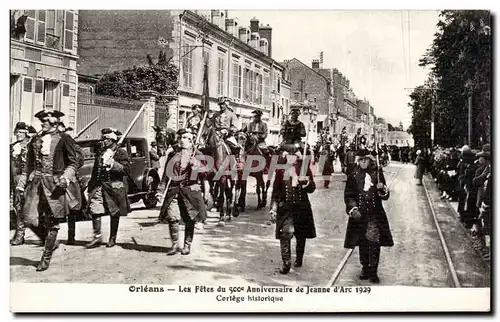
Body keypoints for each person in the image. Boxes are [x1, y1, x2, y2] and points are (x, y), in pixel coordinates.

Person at [15, 109, 82, 271]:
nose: (42, 123)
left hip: (55, 186)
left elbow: (75, 162)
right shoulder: (35, 140)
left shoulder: (65, 139)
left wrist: (66, 176)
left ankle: (45, 257)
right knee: (27, 218)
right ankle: (51, 242)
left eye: (45, 120)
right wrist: (22, 182)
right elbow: (29, 165)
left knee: (53, 222)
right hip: (36, 185)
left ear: (54, 122)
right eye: (42, 120)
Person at [156, 128, 209, 255]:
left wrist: (196, 166)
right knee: (172, 217)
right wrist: (160, 190)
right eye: (180, 137)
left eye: (185, 137)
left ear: (191, 140)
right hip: (174, 190)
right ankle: (174, 244)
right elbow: (165, 175)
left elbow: (206, 173)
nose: (181, 140)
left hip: (190, 191)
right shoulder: (173, 154)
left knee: (189, 219)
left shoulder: (198, 154)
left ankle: (187, 245)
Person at [343, 149, 393, 284]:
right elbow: (349, 195)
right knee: (362, 241)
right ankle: (365, 268)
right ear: (358, 161)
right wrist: (353, 209)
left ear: (370, 160)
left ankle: (373, 271)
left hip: (374, 214)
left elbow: (386, 195)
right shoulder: (353, 176)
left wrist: (382, 189)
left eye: (366, 160)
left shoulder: (377, 174)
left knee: (374, 241)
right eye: (361, 160)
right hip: (360, 215)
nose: (363, 162)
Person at [269, 148, 316, 274]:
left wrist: (306, 182)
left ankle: (299, 258)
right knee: (285, 233)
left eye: (293, 155)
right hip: (286, 208)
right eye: (288, 155)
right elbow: (276, 191)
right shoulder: (281, 171)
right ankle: (286, 262)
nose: (291, 158)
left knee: (301, 235)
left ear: (297, 156)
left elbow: (312, 188)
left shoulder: (304, 169)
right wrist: (273, 208)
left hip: (302, 207)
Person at [86, 128, 131, 249]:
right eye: (103, 138)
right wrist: (91, 185)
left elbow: (127, 170)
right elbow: (96, 170)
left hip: (114, 186)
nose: (103, 141)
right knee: (95, 209)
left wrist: (113, 164)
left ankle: (112, 237)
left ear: (112, 140)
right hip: (99, 185)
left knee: (114, 212)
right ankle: (97, 236)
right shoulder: (101, 152)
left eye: (106, 139)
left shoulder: (121, 153)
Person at [10, 122, 37, 246]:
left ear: (26, 133)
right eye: (17, 132)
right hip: (15, 181)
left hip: (29, 181)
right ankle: (20, 235)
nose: (18, 135)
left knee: (31, 208)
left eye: (21, 132)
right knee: (18, 207)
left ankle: (43, 233)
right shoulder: (12, 147)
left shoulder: (31, 146)